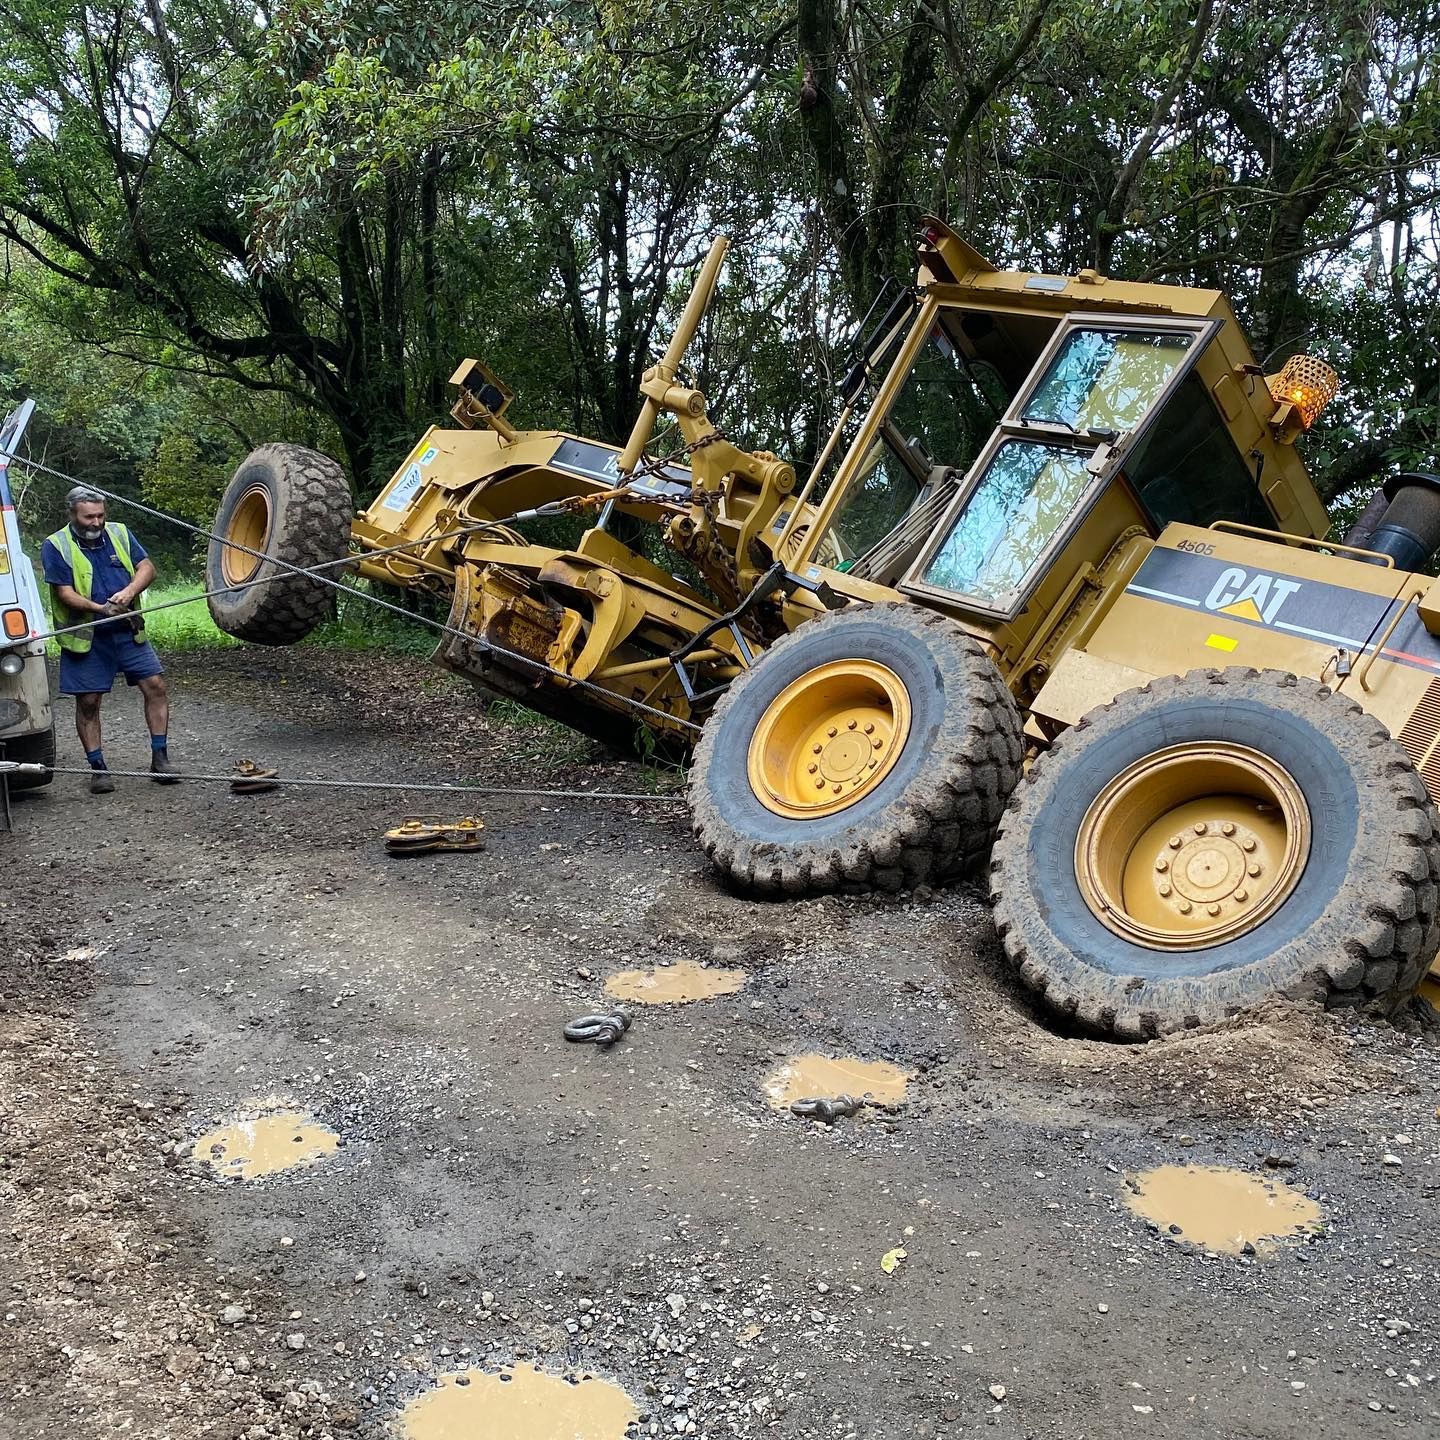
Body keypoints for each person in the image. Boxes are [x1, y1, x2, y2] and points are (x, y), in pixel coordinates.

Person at [40, 486, 178, 794]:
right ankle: (98, 768)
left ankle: (160, 759)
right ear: (72, 514)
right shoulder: (55, 545)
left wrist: (129, 593)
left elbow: (147, 568)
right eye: (89, 516)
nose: (96, 522)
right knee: (89, 702)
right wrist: (101, 609)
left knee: (155, 686)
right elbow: (65, 593)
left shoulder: (120, 533)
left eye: (101, 515)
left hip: (128, 630)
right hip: (85, 637)